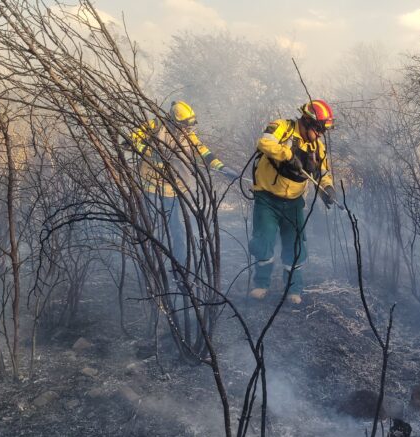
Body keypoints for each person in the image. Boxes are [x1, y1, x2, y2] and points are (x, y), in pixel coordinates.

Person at [128, 101, 238, 316]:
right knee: (151, 233)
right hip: (151, 190)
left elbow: (202, 152)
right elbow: (131, 140)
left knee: (177, 233)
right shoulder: (154, 127)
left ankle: (180, 272)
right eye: (184, 126)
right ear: (173, 121)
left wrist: (222, 168)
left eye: (189, 126)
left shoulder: (187, 135)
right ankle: (150, 274)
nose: (188, 130)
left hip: (175, 191)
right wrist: (151, 152)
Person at [248, 99, 337, 305]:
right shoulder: (282, 128)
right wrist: (288, 155)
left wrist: (327, 189)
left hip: (294, 202)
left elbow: (322, 172)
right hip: (267, 198)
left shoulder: (318, 147)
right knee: (264, 241)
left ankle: (293, 289)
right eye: (319, 129)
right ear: (307, 122)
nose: (321, 134)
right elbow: (265, 142)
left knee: (295, 246)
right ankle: (261, 284)